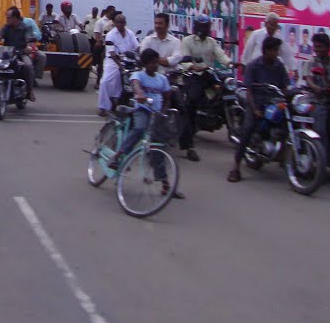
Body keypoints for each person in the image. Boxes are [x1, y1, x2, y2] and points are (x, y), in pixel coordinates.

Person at [107, 48, 185, 200]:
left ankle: (165, 185)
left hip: (156, 114)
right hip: (142, 110)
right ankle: (118, 155)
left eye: (156, 62)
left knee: (159, 146)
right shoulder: (139, 75)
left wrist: (164, 109)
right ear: (145, 64)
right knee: (139, 128)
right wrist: (140, 93)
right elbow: (135, 84)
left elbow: (167, 96)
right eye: (151, 63)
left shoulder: (161, 79)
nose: (154, 65)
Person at [227, 36, 290, 183]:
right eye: (275, 50)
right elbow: (249, 90)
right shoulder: (254, 66)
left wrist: (287, 98)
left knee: (288, 121)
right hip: (257, 102)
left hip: (274, 102)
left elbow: (285, 86)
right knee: (248, 128)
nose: (277, 52)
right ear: (267, 50)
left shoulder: (279, 65)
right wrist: (254, 109)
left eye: (278, 49)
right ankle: (235, 168)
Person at [178, 14, 231, 161]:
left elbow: (220, 55)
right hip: (192, 75)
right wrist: (192, 66)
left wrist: (231, 63)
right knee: (192, 101)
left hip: (207, 74)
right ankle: (189, 146)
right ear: (196, 27)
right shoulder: (187, 41)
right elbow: (184, 59)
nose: (204, 29)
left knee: (226, 89)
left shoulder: (211, 42)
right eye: (201, 26)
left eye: (206, 27)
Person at [97, 13, 140, 117]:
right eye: (118, 22)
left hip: (129, 61)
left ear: (125, 23)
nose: (120, 24)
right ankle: (103, 107)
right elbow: (112, 53)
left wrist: (142, 56)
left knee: (132, 83)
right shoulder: (110, 35)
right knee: (105, 82)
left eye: (122, 22)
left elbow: (137, 47)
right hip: (112, 62)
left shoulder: (130, 33)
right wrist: (120, 67)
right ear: (115, 23)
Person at [92, 5, 117, 84]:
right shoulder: (101, 21)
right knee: (101, 64)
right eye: (113, 11)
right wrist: (100, 41)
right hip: (103, 45)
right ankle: (98, 81)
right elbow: (97, 35)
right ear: (108, 11)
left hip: (114, 46)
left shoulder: (114, 21)